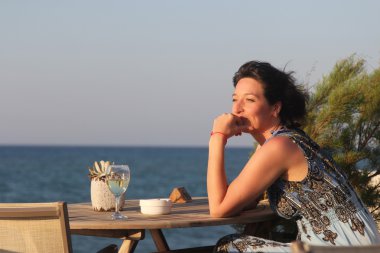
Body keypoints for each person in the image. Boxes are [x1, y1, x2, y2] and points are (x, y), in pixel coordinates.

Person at [207, 61, 380, 253]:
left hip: (339, 248)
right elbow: (244, 201)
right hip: (358, 246)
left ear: (275, 108)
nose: (237, 108)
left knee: (228, 246)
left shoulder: (279, 146)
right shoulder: (290, 140)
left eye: (249, 100)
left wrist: (217, 138)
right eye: (234, 99)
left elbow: (219, 208)